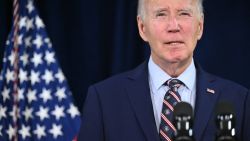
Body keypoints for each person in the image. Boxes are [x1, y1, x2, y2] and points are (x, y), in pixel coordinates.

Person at [78, 0, 250, 140]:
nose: (173, 26)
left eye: (184, 13)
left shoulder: (239, 100)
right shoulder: (103, 99)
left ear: (200, 27)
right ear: (142, 28)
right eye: (161, 14)